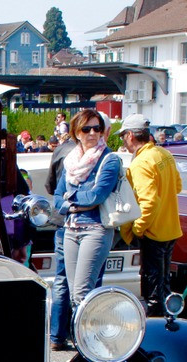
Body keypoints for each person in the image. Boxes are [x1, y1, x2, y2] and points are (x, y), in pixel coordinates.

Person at [53, 109, 121, 309]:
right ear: (76, 132)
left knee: (83, 294)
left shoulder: (109, 159)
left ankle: (88, 338)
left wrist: (69, 200)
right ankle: (80, 338)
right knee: (74, 293)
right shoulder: (71, 161)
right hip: (70, 229)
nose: (92, 133)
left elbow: (96, 195)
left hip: (95, 228)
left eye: (97, 128)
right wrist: (73, 203)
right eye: (86, 128)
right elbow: (57, 198)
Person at [117, 113, 183, 316]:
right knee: (164, 286)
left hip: (153, 233)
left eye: (123, 137)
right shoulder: (163, 154)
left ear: (130, 136)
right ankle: (168, 323)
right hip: (170, 228)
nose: (124, 142)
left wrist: (138, 228)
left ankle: (155, 329)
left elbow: (149, 202)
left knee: (152, 288)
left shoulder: (141, 162)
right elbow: (178, 186)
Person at [45, 128, 76, 351]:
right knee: (88, 282)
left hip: (61, 220)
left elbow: (50, 185)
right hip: (83, 221)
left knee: (62, 278)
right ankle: (80, 335)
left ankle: (56, 336)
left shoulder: (62, 150)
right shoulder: (103, 155)